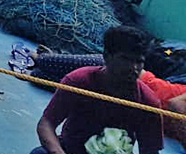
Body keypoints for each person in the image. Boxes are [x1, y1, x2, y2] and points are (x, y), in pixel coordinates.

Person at [31, 25, 162, 154]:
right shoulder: (78, 81)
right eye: (125, 59)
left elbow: (150, 150)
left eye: (139, 62)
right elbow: (46, 123)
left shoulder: (148, 102)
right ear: (107, 56)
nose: (134, 68)